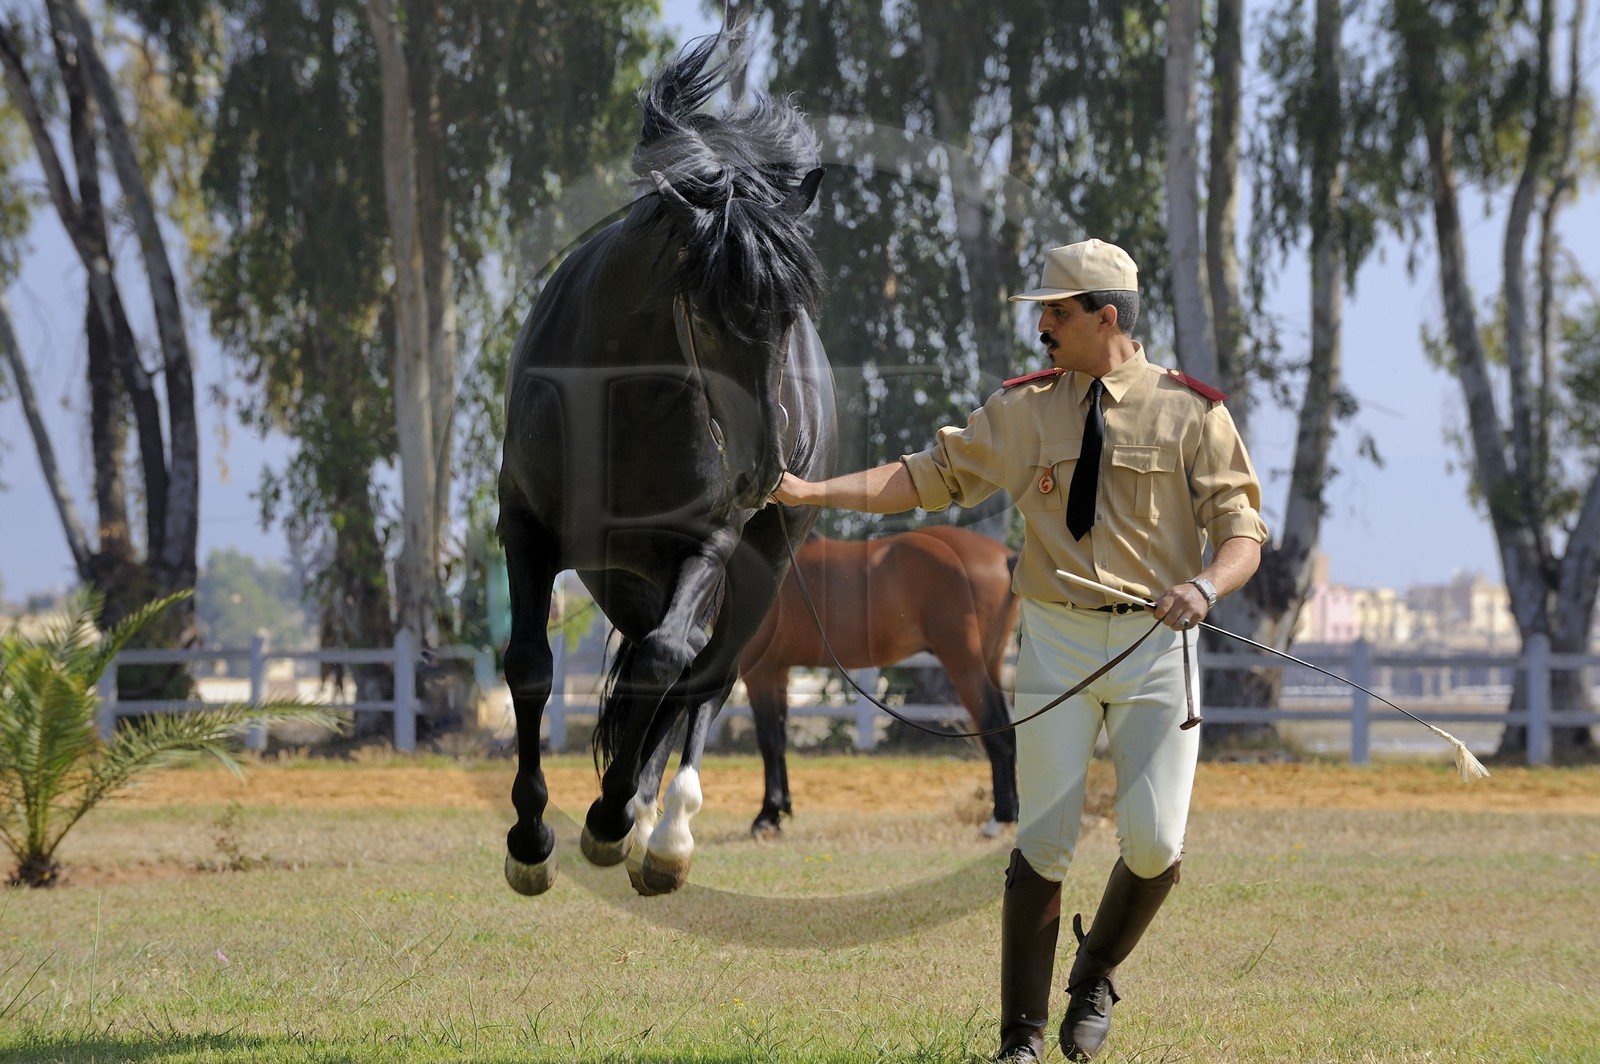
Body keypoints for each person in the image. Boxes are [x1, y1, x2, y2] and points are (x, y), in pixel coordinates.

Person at [770, 238, 1267, 1062]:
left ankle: (1097, 973)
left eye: (1057, 312)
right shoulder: (1022, 408)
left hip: (1156, 644)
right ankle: (1021, 1039)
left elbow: (1244, 532)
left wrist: (1208, 587)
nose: (1042, 325)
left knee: (1152, 845)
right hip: (1057, 642)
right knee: (1043, 842)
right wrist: (814, 491)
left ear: (1106, 317)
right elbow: (926, 477)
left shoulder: (1194, 413)